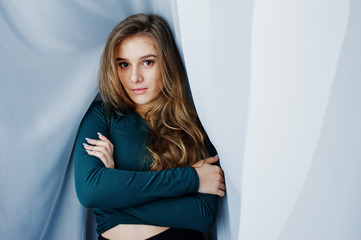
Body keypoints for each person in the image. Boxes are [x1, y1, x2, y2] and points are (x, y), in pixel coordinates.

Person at [74, 13, 225, 240]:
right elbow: (90, 191)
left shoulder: (192, 126)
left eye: (147, 62)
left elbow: (202, 215)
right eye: (124, 64)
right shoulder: (102, 116)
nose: (135, 77)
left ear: (166, 62)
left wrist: (112, 197)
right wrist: (192, 179)